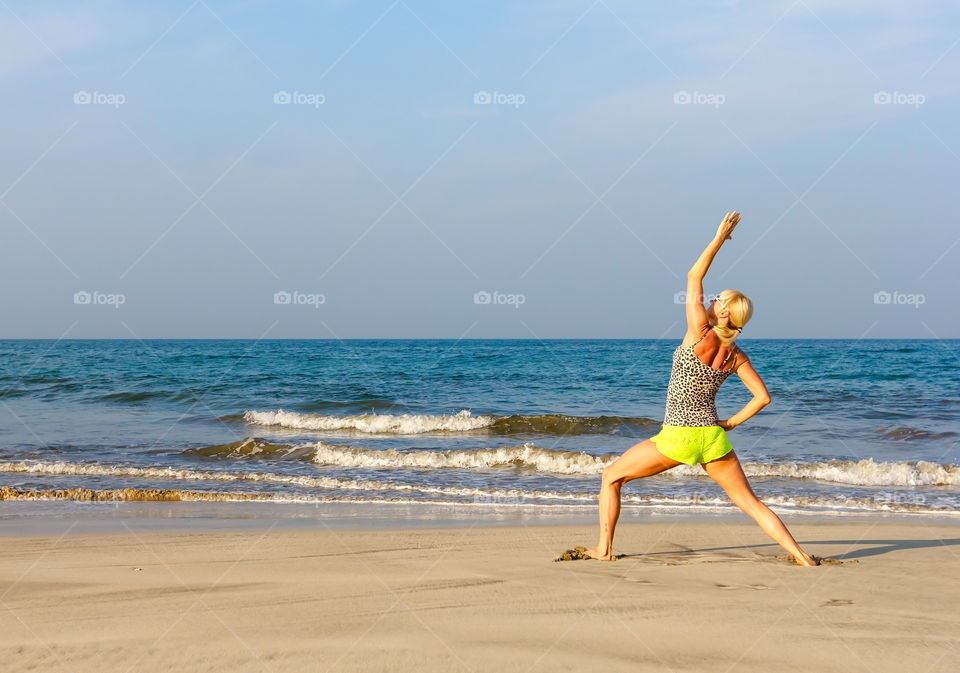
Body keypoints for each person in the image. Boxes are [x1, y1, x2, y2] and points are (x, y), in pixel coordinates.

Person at [583, 211, 821, 566]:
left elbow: (694, 275)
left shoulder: (700, 333)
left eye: (717, 300)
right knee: (751, 504)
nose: (711, 302)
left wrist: (719, 238)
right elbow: (763, 398)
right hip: (712, 437)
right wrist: (730, 423)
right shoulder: (736, 355)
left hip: (677, 438)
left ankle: (603, 549)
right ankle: (801, 556)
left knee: (610, 477)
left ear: (724, 313)